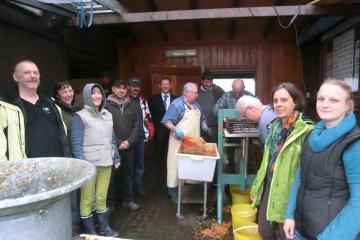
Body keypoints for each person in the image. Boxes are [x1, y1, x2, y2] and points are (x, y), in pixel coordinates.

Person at [283, 79, 360, 240]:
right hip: (300, 228)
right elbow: (299, 177)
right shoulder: (312, 135)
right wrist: (289, 215)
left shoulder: (354, 143)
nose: (324, 104)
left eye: (334, 100)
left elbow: (358, 203)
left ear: (347, 105)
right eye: (321, 99)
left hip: (332, 233)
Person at [250, 82, 314, 240]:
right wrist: (257, 187)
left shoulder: (305, 131)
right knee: (265, 231)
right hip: (270, 186)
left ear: (295, 102)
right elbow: (267, 162)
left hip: (289, 191)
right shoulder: (274, 127)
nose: (278, 104)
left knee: (286, 235)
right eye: (275, 100)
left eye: (284, 100)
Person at [71, 83, 120, 237]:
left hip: (106, 161)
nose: (97, 96)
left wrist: (116, 156)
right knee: (87, 199)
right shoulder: (80, 116)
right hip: (89, 165)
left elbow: (112, 138)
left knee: (101, 197)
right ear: (87, 96)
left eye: (99, 93)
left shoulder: (107, 114)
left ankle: (104, 227)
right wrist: (83, 165)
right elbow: (76, 143)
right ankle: (90, 229)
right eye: (93, 93)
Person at [3, 60, 70, 158]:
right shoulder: (6, 106)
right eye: (27, 72)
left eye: (36, 73)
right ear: (15, 77)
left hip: (57, 167)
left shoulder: (52, 103)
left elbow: (63, 139)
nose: (33, 75)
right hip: (27, 171)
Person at [161, 82, 211, 202]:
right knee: (175, 167)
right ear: (186, 92)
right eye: (195, 93)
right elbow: (166, 121)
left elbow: (202, 118)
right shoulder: (177, 105)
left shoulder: (196, 105)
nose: (197, 95)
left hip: (193, 142)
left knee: (191, 165)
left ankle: (187, 189)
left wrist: (205, 127)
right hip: (178, 142)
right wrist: (176, 130)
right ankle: (173, 192)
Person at [52, 80, 82, 234]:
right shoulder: (56, 111)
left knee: (82, 192)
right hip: (67, 157)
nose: (69, 94)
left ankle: (81, 224)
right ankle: (73, 228)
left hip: (81, 155)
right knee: (72, 196)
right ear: (57, 95)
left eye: (70, 90)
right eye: (64, 91)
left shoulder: (78, 109)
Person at [106, 80, 140, 211]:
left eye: (123, 88)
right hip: (113, 147)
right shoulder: (105, 106)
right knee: (112, 176)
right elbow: (106, 127)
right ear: (113, 89)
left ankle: (128, 200)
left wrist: (129, 142)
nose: (121, 90)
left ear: (127, 90)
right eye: (118, 88)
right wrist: (119, 142)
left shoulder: (132, 106)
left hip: (128, 147)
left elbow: (136, 126)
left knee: (128, 174)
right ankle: (110, 203)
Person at [148, 77, 177, 184]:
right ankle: (159, 181)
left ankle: (171, 179)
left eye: (167, 84)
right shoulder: (153, 99)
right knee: (159, 158)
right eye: (163, 84)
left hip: (173, 134)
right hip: (159, 134)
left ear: (170, 86)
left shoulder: (176, 99)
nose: (165, 86)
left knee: (171, 157)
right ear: (159, 86)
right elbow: (149, 117)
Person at [129, 77, 154, 196]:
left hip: (139, 137)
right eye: (133, 86)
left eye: (137, 86)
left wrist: (150, 132)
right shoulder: (124, 100)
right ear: (129, 87)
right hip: (127, 138)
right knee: (128, 164)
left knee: (139, 164)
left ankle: (138, 185)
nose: (135, 88)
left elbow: (148, 117)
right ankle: (128, 189)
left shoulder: (143, 101)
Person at [197, 71, 224, 143]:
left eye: (210, 82)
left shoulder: (218, 91)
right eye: (206, 82)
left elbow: (224, 104)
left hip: (213, 126)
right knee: (199, 148)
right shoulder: (196, 91)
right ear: (202, 81)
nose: (208, 84)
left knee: (213, 147)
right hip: (198, 126)